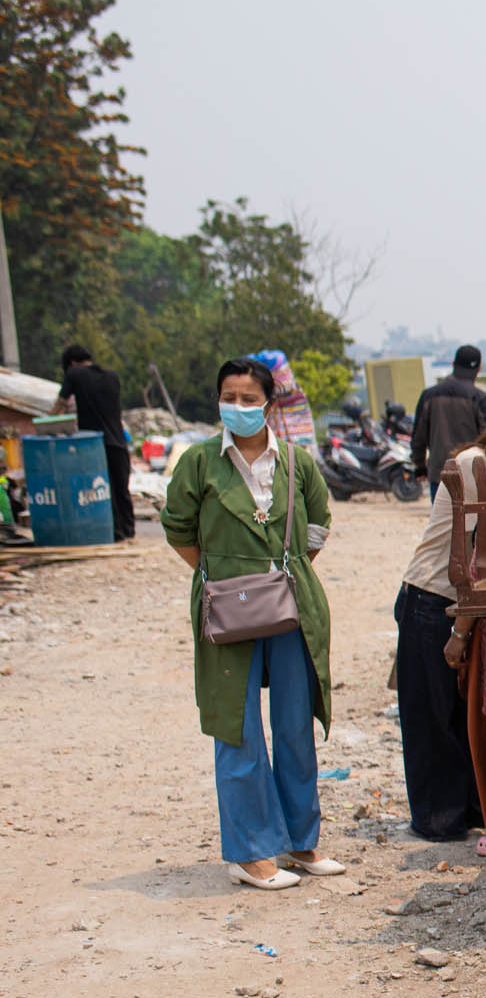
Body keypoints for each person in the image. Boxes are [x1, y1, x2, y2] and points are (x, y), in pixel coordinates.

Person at [159, 357, 340, 891]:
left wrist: (278, 577)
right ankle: (249, 853)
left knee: (293, 724)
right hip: (224, 606)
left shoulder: (298, 463)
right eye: (228, 396)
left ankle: (300, 843)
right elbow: (177, 528)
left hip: (288, 606)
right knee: (236, 727)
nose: (236, 406)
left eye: (246, 397)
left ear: (269, 402)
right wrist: (223, 577)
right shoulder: (198, 462)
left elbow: (318, 526)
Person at [395, 420, 486, 847]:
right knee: (433, 718)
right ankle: (439, 819)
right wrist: (459, 632)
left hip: (440, 600)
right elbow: (484, 556)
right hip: (432, 597)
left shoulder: (477, 463)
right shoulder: (479, 468)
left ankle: (460, 812)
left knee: (452, 715)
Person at [51, 344, 134, 542]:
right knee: (122, 488)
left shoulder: (74, 374)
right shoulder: (112, 376)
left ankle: (116, 533)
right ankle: (129, 531)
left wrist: (48, 423)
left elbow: (61, 404)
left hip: (95, 443)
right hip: (119, 441)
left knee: (104, 488)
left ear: (71, 364)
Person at [409, 345, 486, 481]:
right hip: (473, 475)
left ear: (453, 364)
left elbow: (418, 437)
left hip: (439, 473)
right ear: (479, 368)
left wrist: (420, 466)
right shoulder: (481, 398)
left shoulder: (429, 396)